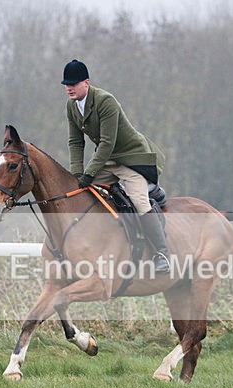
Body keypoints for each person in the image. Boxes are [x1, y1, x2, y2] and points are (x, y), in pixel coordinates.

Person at [61, 59, 171, 273]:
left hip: (132, 159)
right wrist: (77, 174)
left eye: (73, 84)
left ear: (86, 83)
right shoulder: (71, 106)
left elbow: (107, 143)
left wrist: (89, 173)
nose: (69, 88)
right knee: (83, 195)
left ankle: (162, 254)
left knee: (139, 201)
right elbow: (75, 142)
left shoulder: (106, 101)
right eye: (66, 84)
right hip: (107, 161)